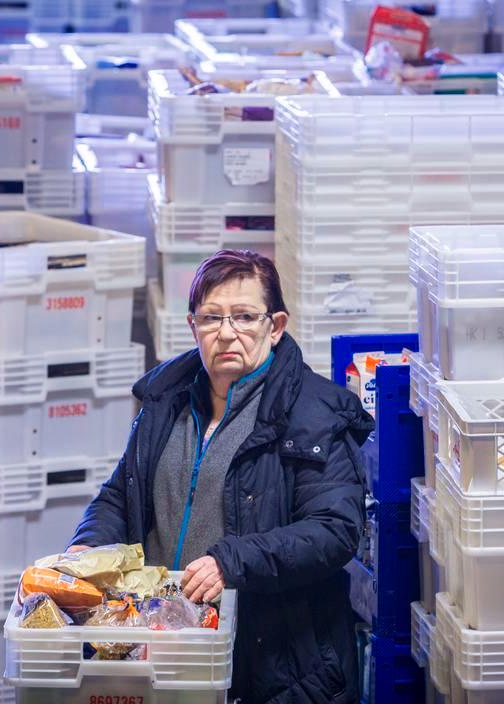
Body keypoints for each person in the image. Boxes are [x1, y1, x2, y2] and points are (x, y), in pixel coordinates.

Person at [69, 249, 374, 704]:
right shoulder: (165, 402)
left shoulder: (315, 412)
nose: (227, 332)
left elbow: (334, 531)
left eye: (245, 316)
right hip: (165, 642)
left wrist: (232, 562)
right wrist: (89, 549)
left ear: (276, 326)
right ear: (193, 326)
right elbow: (120, 495)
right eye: (211, 318)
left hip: (274, 664)